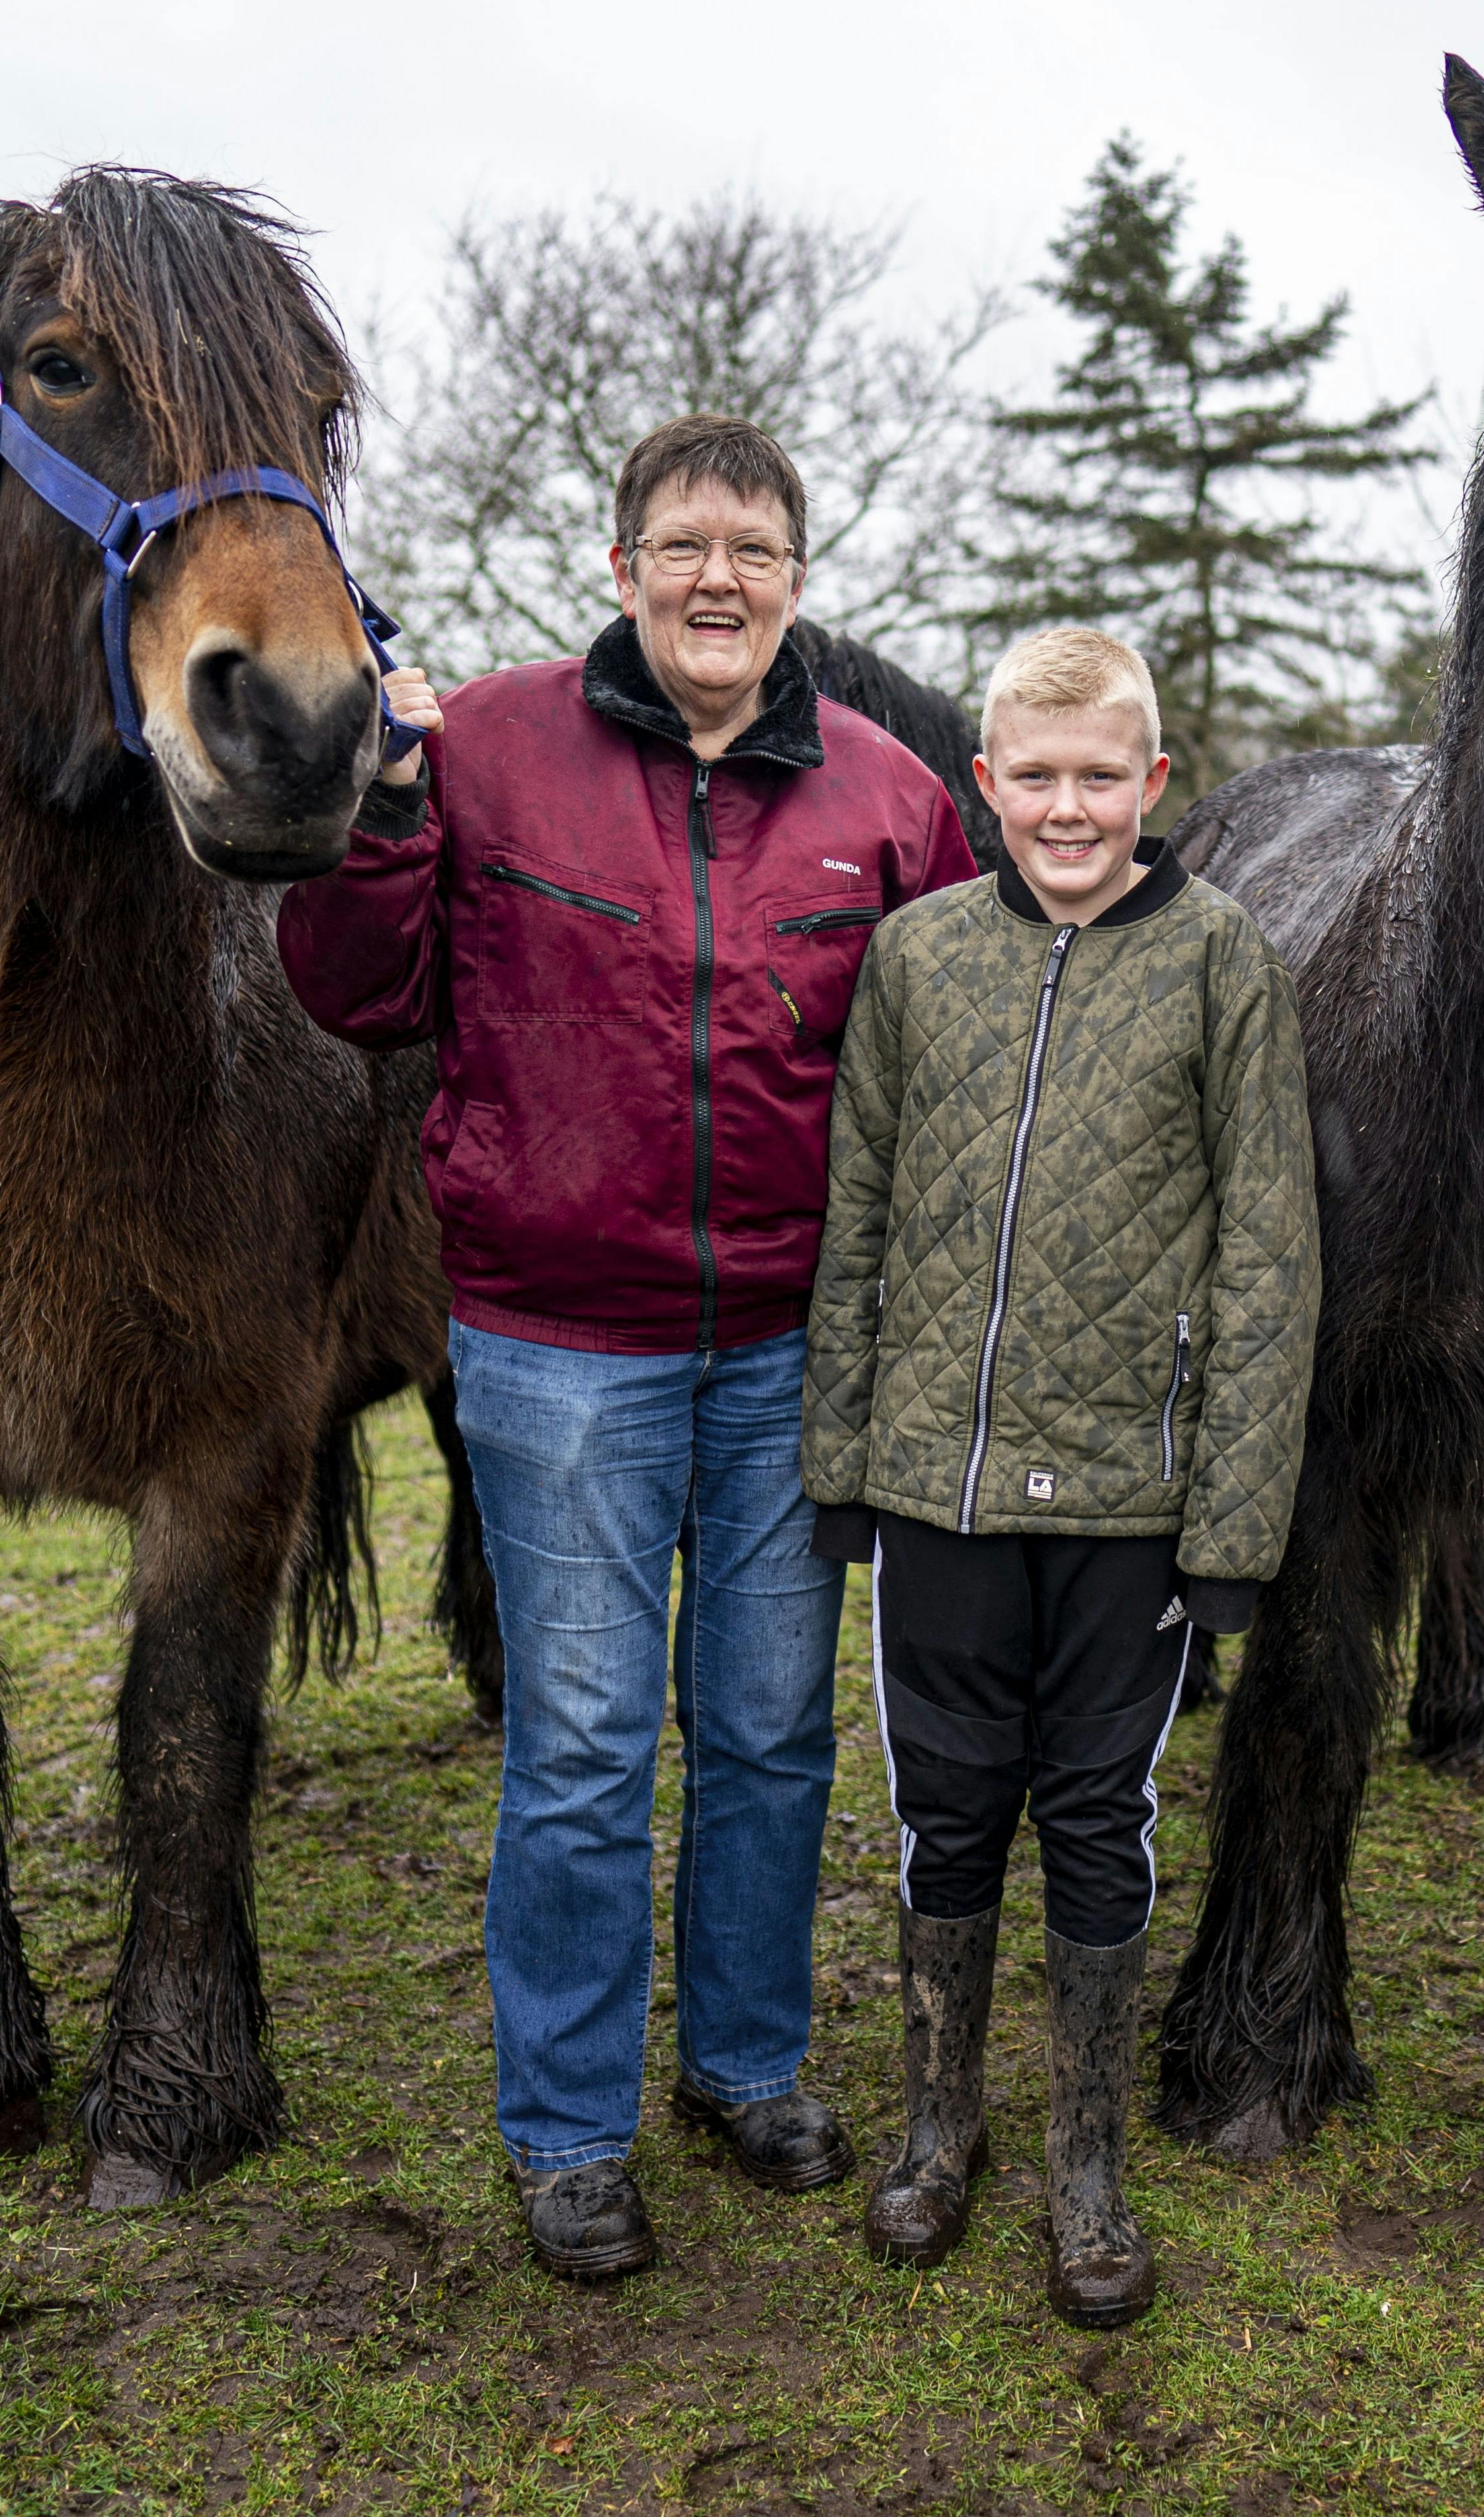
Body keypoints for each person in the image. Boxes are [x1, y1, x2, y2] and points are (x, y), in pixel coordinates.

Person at [276, 416, 977, 2281]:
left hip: (785, 1352)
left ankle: (745, 2069)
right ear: (622, 570)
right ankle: (571, 2127)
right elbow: (353, 992)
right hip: (552, 1348)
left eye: (753, 548)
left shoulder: (896, 804)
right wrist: (384, 817)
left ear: (797, 583)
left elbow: (960, 1072)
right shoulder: (486, 750)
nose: (718, 578)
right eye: (683, 545)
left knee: (765, 1734)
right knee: (581, 1748)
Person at [801, 627, 1321, 2327]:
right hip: (937, 1491)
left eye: (1103, 774)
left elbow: (1267, 1253)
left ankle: (1085, 2157)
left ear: (1152, 784)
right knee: (946, 1807)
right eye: (1036, 775)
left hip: (1130, 1500)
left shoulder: (1224, 964)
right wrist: (845, 1461)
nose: (1069, 805)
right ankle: (938, 2119)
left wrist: (1232, 1527)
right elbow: (857, 1221)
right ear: (986, 786)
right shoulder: (914, 958)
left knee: (1098, 1812)